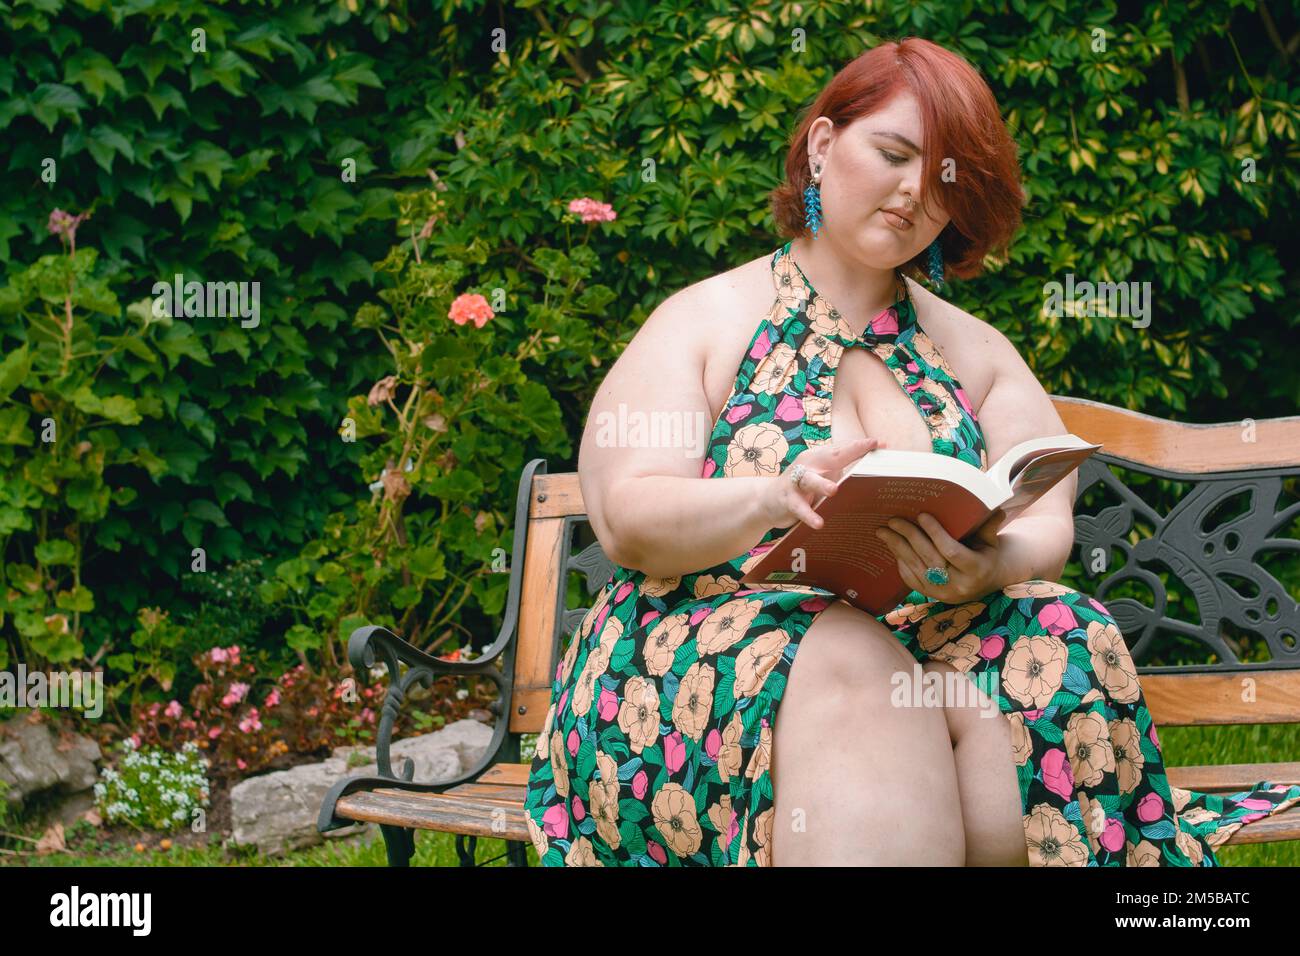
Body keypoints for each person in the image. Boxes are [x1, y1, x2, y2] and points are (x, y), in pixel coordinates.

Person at [523, 36, 1300, 866]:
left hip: (922, 639)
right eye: (892, 155)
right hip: (696, 664)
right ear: (822, 147)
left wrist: (988, 566)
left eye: (942, 179)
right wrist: (768, 498)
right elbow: (630, 520)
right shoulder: (704, 321)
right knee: (853, 657)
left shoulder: (975, 351)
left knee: (1062, 627)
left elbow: (1045, 519)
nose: (911, 193)